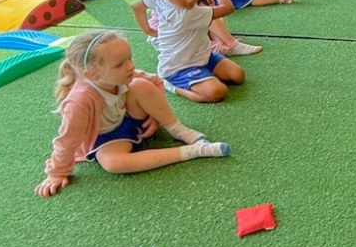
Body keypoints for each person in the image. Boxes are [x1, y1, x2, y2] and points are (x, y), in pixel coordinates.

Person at [36, 29, 229, 196]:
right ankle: (194, 151)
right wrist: (57, 172)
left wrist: (154, 117)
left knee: (140, 85)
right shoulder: (79, 100)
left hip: (132, 120)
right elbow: (67, 140)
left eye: (129, 58)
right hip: (107, 138)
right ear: (91, 75)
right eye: (119, 64)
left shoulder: (126, 75)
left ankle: (179, 130)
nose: (130, 66)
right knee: (112, 163)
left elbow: (156, 82)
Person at [132, 0, 246, 103]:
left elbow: (137, 6)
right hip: (178, 67)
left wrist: (148, 30)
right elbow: (228, 8)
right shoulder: (187, 14)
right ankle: (172, 85)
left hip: (203, 56)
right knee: (218, 91)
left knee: (238, 75)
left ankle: (203, 75)